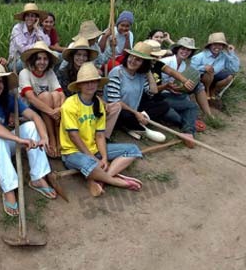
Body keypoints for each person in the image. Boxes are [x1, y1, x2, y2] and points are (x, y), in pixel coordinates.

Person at [0, 62, 59, 216]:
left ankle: (38, 177)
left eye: (0, 81)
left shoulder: (8, 99)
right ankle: (9, 189)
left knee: (29, 126)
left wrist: (44, 137)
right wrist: (17, 139)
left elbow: (34, 116)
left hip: (2, 144)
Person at [60, 62, 143, 197]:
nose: (90, 85)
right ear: (79, 85)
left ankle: (99, 179)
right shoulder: (69, 104)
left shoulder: (98, 104)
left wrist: (104, 157)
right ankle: (115, 181)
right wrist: (93, 158)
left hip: (94, 149)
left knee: (133, 150)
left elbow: (100, 135)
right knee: (89, 163)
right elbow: (74, 136)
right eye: (86, 82)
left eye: (93, 81)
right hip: (72, 152)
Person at [57, 37, 121, 139]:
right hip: (74, 107)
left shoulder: (91, 71)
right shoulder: (63, 72)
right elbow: (69, 96)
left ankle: (102, 137)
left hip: (90, 102)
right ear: (73, 56)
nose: (81, 58)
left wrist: (102, 102)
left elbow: (95, 92)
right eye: (78, 55)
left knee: (115, 107)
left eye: (84, 56)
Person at [104, 42, 168, 142]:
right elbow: (115, 101)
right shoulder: (117, 73)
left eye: (138, 60)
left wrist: (148, 72)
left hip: (134, 110)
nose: (133, 61)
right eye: (131, 57)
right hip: (116, 111)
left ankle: (136, 124)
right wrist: (136, 113)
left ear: (144, 63)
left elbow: (153, 91)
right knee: (124, 114)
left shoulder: (140, 75)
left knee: (163, 105)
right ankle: (138, 125)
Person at [144, 39, 199, 147]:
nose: (157, 58)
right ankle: (187, 124)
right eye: (154, 56)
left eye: (158, 56)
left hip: (161, 97)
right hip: (152, 100)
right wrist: (166, 86)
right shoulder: (143, 67)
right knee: (177, 118)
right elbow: (150, 91)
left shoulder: (158, 64)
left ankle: (188, 132)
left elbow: (172, 72)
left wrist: (185, 81)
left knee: (191, 106)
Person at [18, 41, 65, 157]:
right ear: (33, 60)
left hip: (50, 109)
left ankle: (59, 138)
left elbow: (61, 94)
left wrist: (59, 109)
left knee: (55, 95)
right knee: (45, 95)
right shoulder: (25, 73)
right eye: (39, 59)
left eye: (45, 59)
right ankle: (52, 139)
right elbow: (31, 97)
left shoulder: (49, 73)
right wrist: (52, 111)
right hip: (30, 109)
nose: (42, 62)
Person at [191, 32, 240, 109]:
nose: (217, 47)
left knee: (230, 76)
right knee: (209, 71)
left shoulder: (224, 56)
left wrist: (231, 53)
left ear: (223, 46)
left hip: (214, 77)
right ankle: (206, 91)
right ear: (210, 46)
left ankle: (213, 90)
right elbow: (191, 69)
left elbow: (234, 69)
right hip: (201, 78)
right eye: (215, 44)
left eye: (220, 45)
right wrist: (203, 68)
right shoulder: (200, 56)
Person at [8, 3, 51, 73]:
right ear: (24, 17)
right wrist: (38, 47)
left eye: (32, 16)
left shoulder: (38, 29)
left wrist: (36, 28)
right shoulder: (17, 28)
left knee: (57, 56)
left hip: (34, 59)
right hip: (17, 61)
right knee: (30, 63)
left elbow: (47, 44)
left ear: (36, 18)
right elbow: (22, 49)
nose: (30, 18)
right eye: (27, 16)